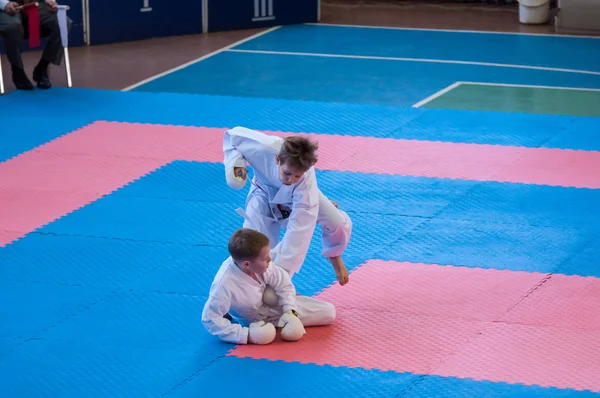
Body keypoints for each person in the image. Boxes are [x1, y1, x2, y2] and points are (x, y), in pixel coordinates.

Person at [222, 126, 353, 287]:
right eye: (287, 173)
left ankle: (333, 254)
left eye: (297, 175)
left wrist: (282, 279)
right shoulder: (264, 147)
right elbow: (231, 136)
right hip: (263, 192)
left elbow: (299, 232)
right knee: (254, 244)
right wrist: (235, 163)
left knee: (336, 222)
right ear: (277, 159)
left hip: (296, 196)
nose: (290, 179)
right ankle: (248, 286)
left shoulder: (305, 181)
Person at [201, 228, 336, 345]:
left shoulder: (260, 264)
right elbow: (210, 319)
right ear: (247, 264)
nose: (270, 260)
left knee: (328, 312)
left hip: (271, 307)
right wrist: (245, 335)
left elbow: (284, 284)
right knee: (266, 331)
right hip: (251, 319)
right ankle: (266, 326)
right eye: (265, 258)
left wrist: (290, 311)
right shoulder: (224, 284)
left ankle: (282, 319)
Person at [0, 0, 71, 90]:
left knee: (64, 23)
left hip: (34, 4)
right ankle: (17, 70)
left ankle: (42, 67)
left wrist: (50, 1)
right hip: (4, 6)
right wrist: (4, 4)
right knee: (12, 26)